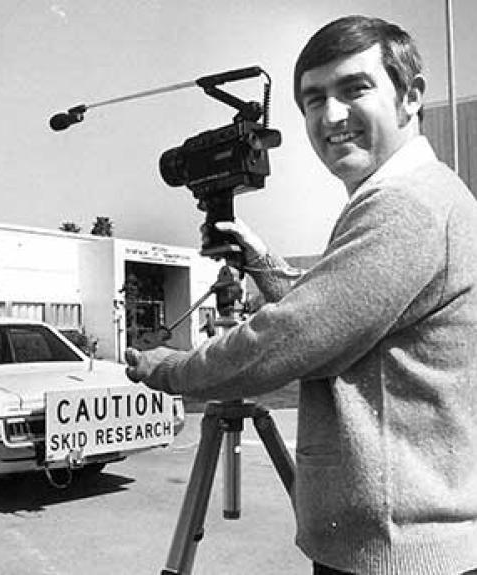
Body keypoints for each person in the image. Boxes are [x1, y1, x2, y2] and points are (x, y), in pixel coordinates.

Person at [125, 15, 477, 575]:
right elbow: (342, 312)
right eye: (314, 99)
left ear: (411, 97)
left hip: (396, 553)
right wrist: (261, 263)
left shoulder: (405, 206)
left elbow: (291, 338)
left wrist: (171, 368)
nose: (331, 116)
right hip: (395, 543)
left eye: (354, 89)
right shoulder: (413, 195)